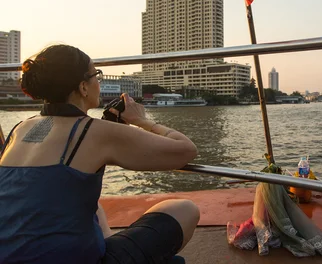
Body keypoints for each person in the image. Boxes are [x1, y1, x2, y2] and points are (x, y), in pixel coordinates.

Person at [0, 44, 200, 264]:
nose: (99, 81)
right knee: (183, 209)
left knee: (93, 204)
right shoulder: (94, 131)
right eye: (96, 74)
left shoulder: (20, 128)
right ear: (83, 87)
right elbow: (186, 150)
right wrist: (140, 120)